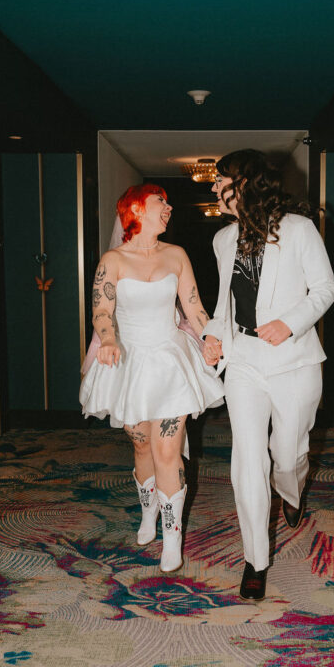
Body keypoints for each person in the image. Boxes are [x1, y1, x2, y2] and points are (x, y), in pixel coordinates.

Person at [202, 149, 334, 601]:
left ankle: (292, 488)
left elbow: (326, 288)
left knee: (288, 452)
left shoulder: (298, 230)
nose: (216, 190)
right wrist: (213, 336)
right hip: (243, 362)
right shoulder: (223, 240)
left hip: (293, 361)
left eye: (223, 182)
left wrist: (291, 321)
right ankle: (255, 560)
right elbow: (225, 302)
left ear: (247, 183)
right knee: (247, 459)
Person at [80, 184, 224, 573]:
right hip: (128, 364)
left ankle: (172, 537)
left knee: (167, 451)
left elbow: (194, 308)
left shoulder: (176, 255)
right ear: (137, 209)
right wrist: (108, 340)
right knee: (142, 445)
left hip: (170, 362)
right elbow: (101, 311)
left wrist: (212, 339)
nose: (170, 207)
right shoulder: (113, 260)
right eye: (162, 202)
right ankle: (148, 514)